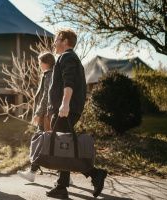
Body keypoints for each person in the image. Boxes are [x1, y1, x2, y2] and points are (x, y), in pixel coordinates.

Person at [45, 29, 107, 199]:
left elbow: (69, 81)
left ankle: (95, 174)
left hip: (65, 110)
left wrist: (65, 104)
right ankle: (62, 186)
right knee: (63, 146)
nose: (54, 43)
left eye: (57, 39)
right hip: (65, 109)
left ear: (64, 41)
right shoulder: (68, 57)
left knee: (64, 146)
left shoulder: (68, 57)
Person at [17, 51, 55, 182]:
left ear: (46, 63)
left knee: (42, 142)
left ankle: (32, 173)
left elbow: (46, 97)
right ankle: (64, 176)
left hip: (46, 115)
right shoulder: (48, 75)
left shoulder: (49, 75)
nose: (39, 65)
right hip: (46, 113)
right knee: (49, 143)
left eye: (40, 62)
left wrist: (39, 113)